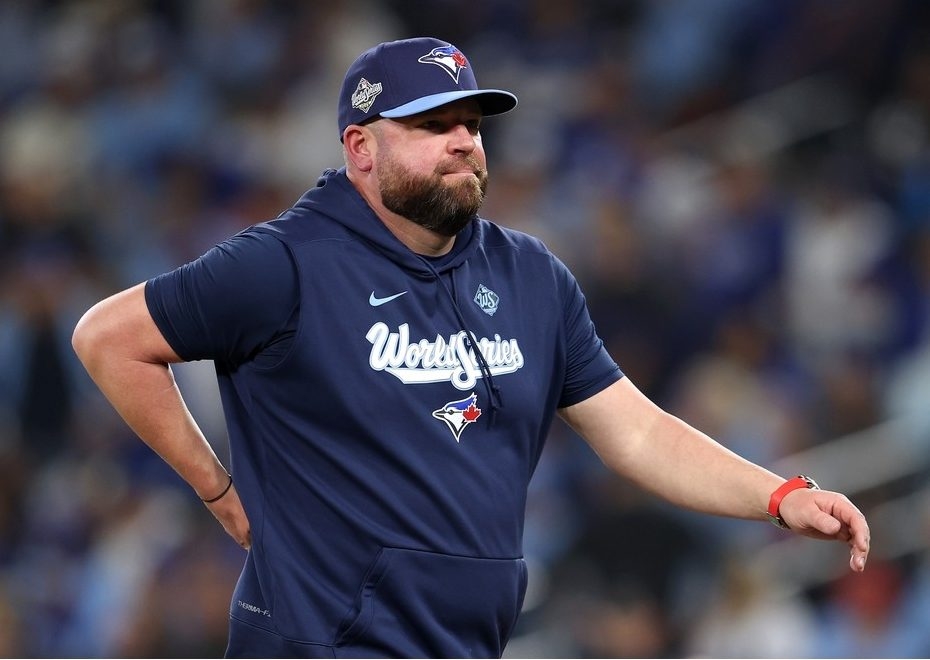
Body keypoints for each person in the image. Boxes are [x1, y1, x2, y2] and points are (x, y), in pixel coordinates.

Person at [71, 36, 871, 658]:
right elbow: (109, 338)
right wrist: (216, 488)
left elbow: (636, 430)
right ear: (360, 148)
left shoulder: (530, 276)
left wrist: (777, 497)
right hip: (323, 643)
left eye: (471, 124)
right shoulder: (282, 264)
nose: (462, 142)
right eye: (431, 125)